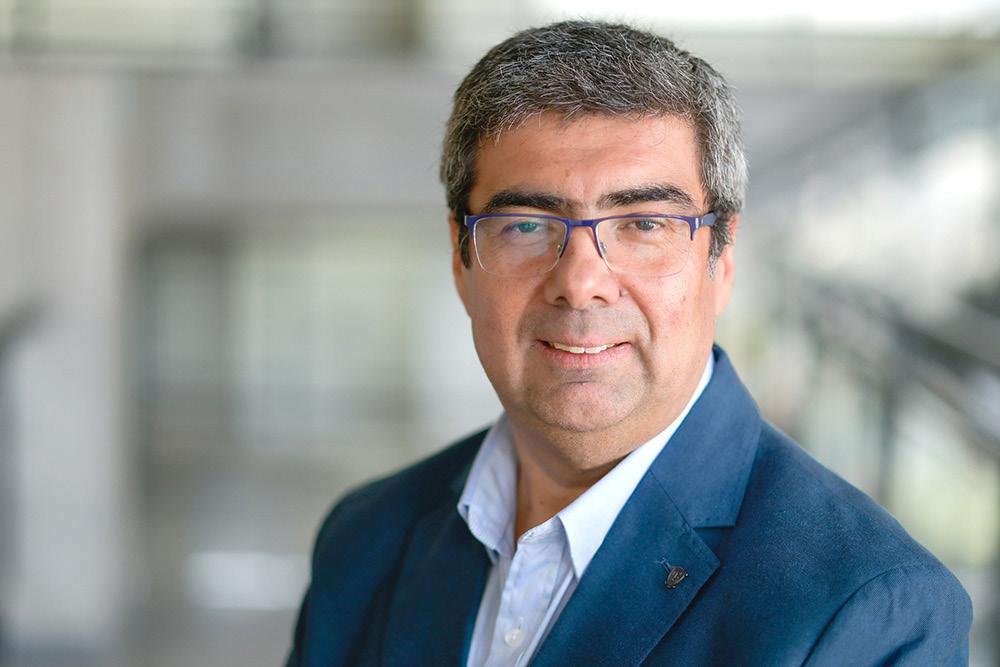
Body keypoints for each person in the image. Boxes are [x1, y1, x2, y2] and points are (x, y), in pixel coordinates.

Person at [286, 20, 971, 666]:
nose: (581, 284)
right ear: (461, 260)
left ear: (722, 260)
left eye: (644, 224)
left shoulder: (867, 611)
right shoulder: (365, 536)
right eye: (526, 225)